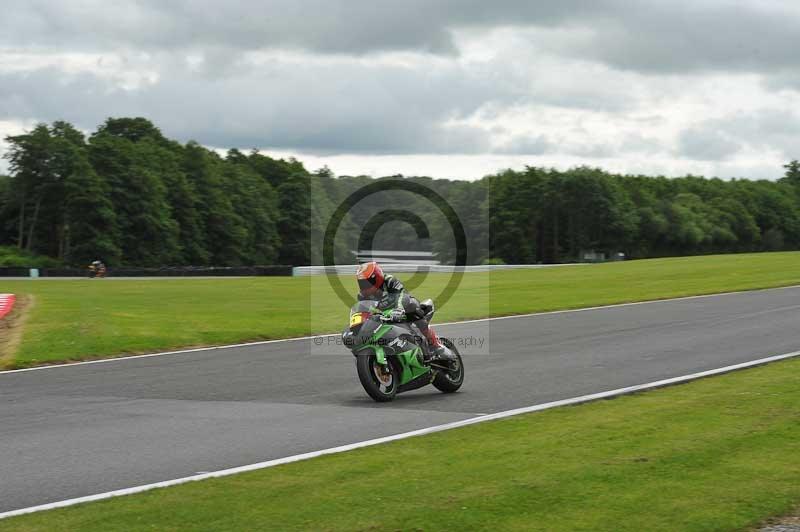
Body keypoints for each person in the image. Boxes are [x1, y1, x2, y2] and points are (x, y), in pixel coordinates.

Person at [356, 261, 452, 361]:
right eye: (361, 283)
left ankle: (437, 346)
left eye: (366, 283)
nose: (364, 287)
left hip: (405, 309)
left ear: (376, 278)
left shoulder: (389, 281)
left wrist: (399, 309)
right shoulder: (363, 296)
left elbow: (401, 295)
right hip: (386, 316)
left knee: (413, 307)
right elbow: (362, 310)